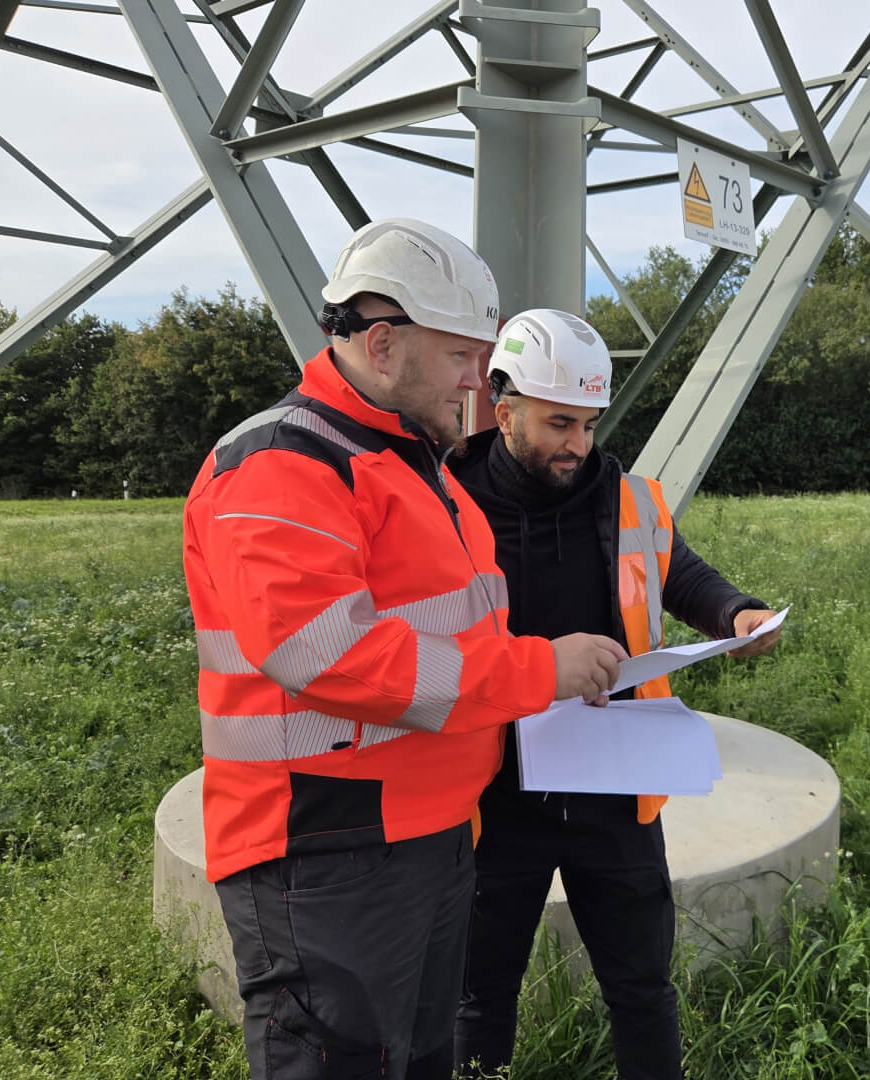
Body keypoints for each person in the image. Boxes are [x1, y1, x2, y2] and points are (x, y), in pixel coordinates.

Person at [181, 220, 627, 1079]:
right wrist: (540, 670)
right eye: (464, 357)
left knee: (419, 1058)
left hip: (428, 838)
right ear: (383, 344)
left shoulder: (413, 465)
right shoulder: (283, 463)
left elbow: (453, 639)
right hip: (324, 854)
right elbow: (325, 651)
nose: (478, 381)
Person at [449, 308, 782, 1079]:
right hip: (491, 796)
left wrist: (737, 611)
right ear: (505, 412)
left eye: (589, 424)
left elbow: (681, 574)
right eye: (559, 423)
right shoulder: (447, 498)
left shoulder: (628, 497)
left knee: (640, 989)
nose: (578, 445)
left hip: (613, 793)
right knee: (478, 996)